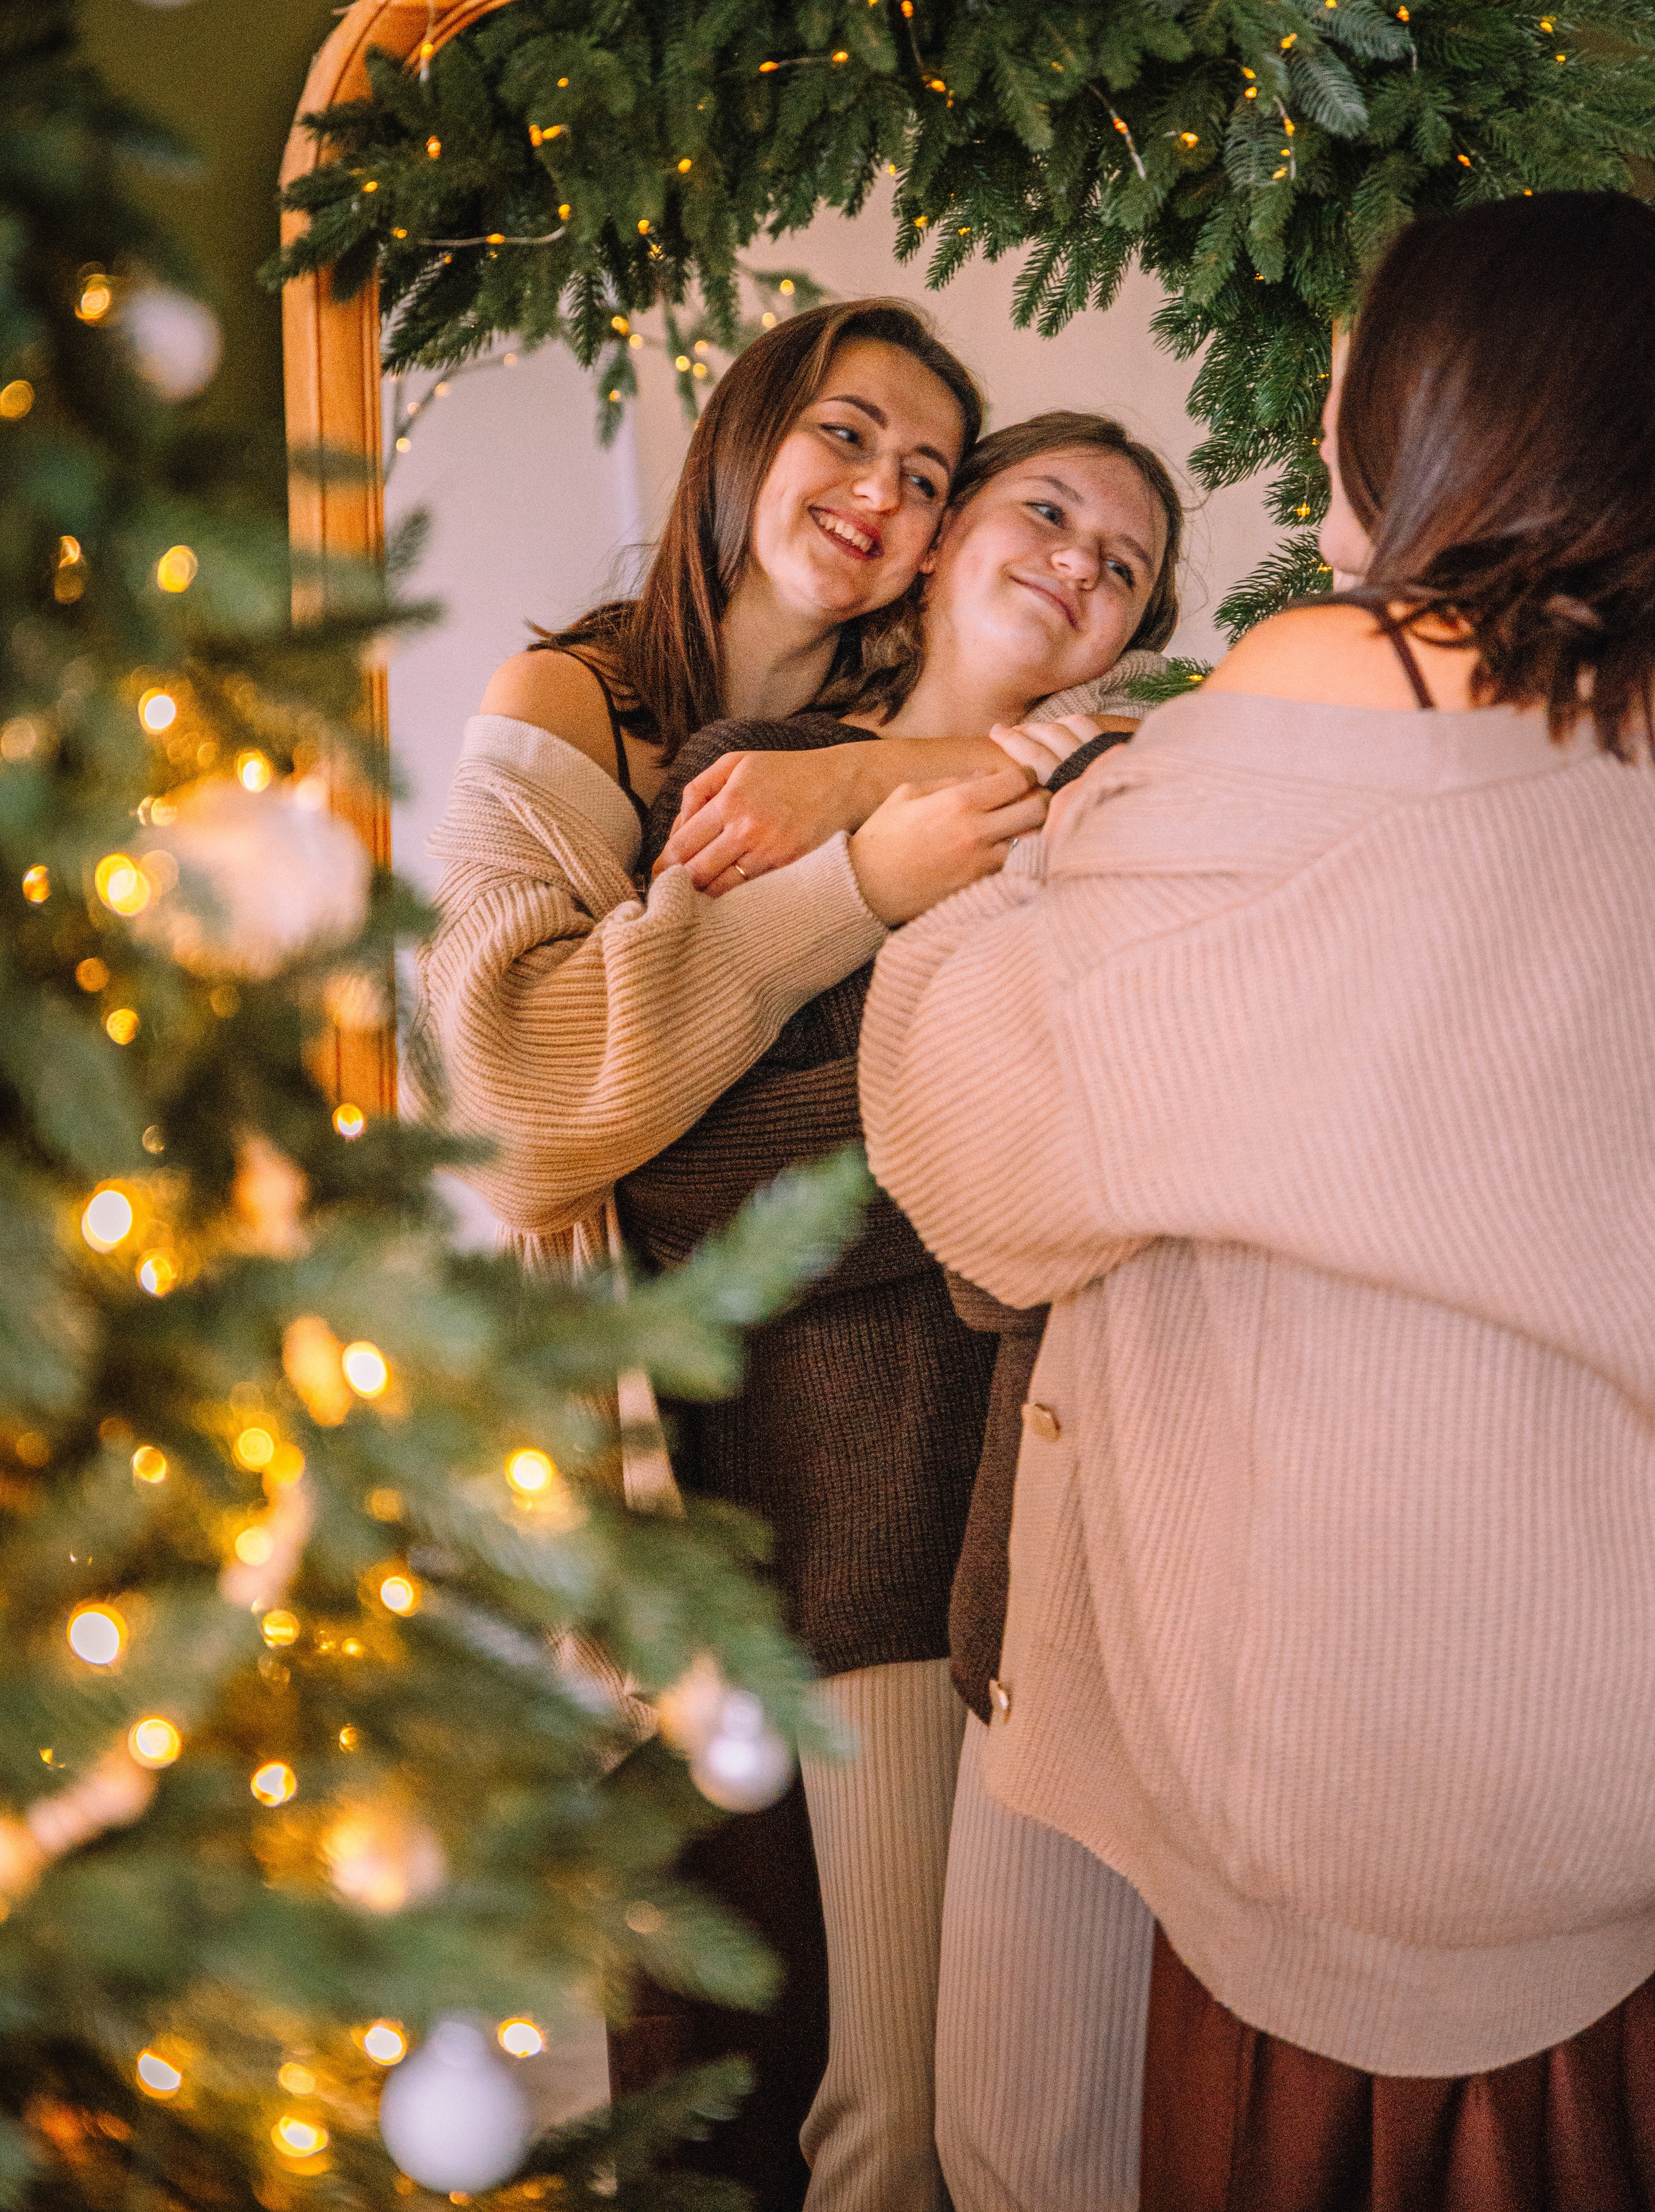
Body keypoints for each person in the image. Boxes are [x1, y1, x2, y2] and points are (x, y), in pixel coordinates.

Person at [859, 188, 1655, 2212]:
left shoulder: (1304, 696)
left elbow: (975, 1157)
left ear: (1432, 425)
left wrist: (1014, 882)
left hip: (1339, 1768)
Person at [416, 303, 1130, 2206]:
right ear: (742, 442)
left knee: (854, 2051)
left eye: (924, 471)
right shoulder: (576, 702)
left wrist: (858, 791)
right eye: (847, 434)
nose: (880, 492)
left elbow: (1099, 745)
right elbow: (527, 1107)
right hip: (640, 1457)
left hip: (867, 1504)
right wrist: (858, 879)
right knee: (679, 2048)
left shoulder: (892, 754)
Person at [623, 410, 1181, 2212]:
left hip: (1067, 1550)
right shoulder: (762, 772)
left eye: (1125, 567)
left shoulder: (1138, 807)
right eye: (1047, 513)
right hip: (859, 1535)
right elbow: (687, 1179)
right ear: (938, 547)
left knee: (1039, 2115)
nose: (1080, 567)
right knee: (889, 2117)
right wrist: (987, 1144)